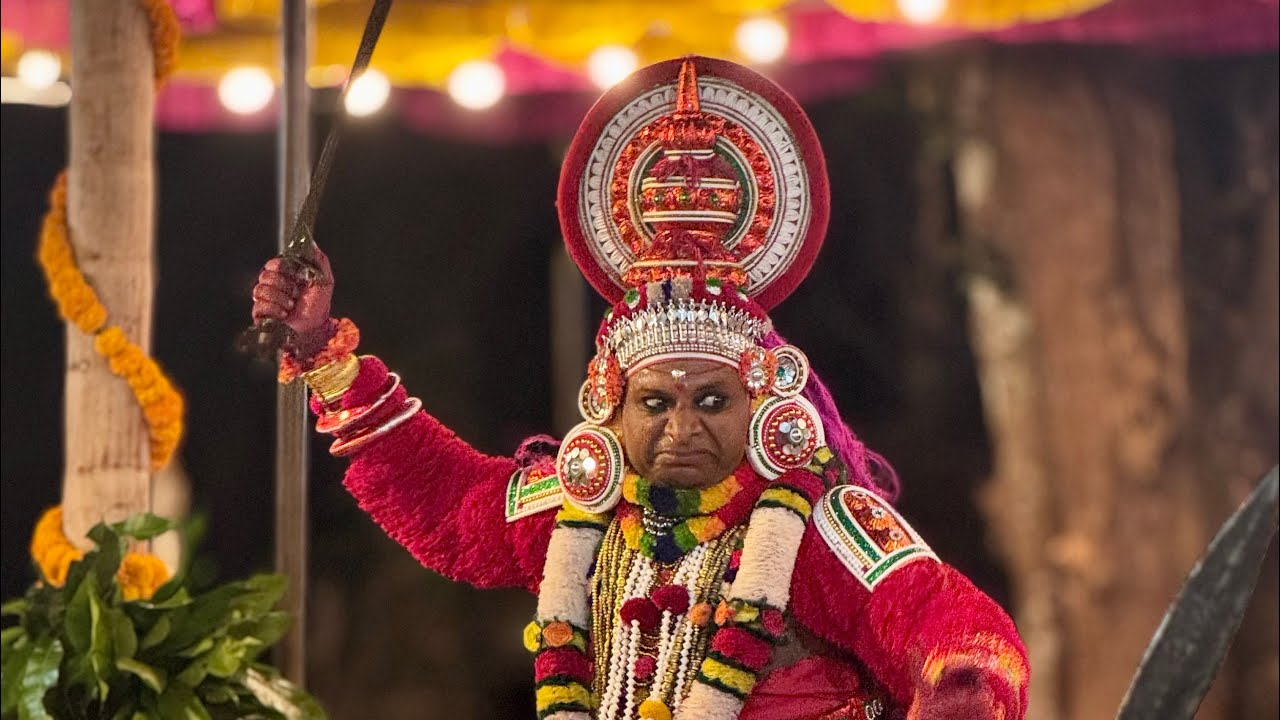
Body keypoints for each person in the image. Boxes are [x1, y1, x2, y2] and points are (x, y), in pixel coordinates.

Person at [250, 57, 1028, 720]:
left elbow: (949, 622)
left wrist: (963, 686)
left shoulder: (814, 523)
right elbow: (446, 504)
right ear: (611, 407)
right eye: (655, 403)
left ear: (762, 404)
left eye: (712, 402)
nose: (681, 428)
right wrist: (323, 350)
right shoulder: (581, 507)